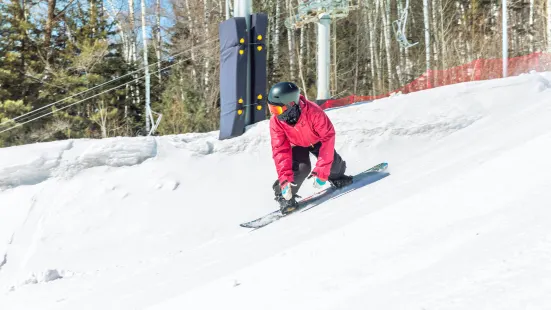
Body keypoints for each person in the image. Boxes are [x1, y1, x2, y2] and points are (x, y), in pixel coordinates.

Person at [268, 82, 353, 214]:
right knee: (302, 168)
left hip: (317, 141)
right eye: (271, 109)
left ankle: (336, 177)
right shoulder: (276, 121)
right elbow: (280, 150)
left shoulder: (313, 112)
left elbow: (328, 137)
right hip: (296, 145)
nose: (274, 114)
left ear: (291, 104)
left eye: (277, 110)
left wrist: (322, 171)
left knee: (335, 168)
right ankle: (283, 195)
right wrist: (284, 180)